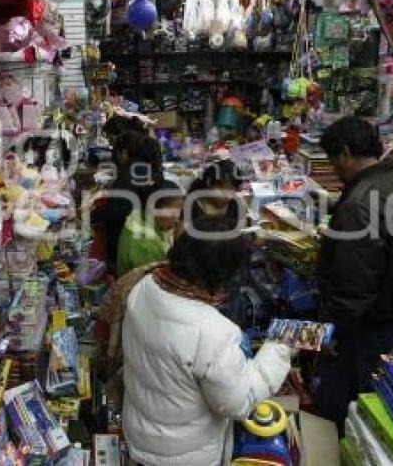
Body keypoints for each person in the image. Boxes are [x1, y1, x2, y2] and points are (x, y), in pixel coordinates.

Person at [122, 217, 292, 466]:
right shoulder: (212, 332)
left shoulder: (145, 285)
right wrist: (280, 348)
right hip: (186, 453)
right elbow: (237, 403)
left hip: (141, 432)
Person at [314, 117, 393, 430]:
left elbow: (354, 281)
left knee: (343, 404)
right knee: (375, 402)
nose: (333, 169)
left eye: (333, 160)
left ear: (346, 154)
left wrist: (334, 333)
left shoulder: (359, 202)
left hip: (362, 327)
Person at [92, 134, 164, 274]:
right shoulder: (152, 169)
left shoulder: (131, 171)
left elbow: (119, 209)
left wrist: (95, 213)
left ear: (124, 152)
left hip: (127, 237)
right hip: (144, 233)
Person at [115, 179, 184, 277]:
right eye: (172, 214)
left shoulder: (143, 216)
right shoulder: (145, 246)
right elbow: (155, 280)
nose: (177, 220)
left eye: (179, 211)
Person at [186, 159, 243, 229]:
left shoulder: (233, 205)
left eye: (232, 190)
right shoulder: (192, 207)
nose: (228, 196)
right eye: (223, 190)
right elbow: (181, 238)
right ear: (209, 182)